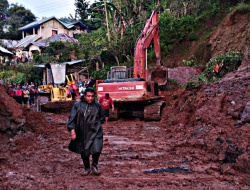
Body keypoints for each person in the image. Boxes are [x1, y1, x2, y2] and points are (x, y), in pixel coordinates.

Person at [67, 88, 105, 176]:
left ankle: (94, 165)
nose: (90, 98)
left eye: (92, 96)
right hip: (82, 132)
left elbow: (102, 116)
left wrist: (97, 125)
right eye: (88, 96)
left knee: (97, 148)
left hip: (96, 131)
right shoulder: (78, 105)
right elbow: (71, 118)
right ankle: (86, 167)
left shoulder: (97, 105)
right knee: (84, 151)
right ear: (84, 96)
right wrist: (72, 130)